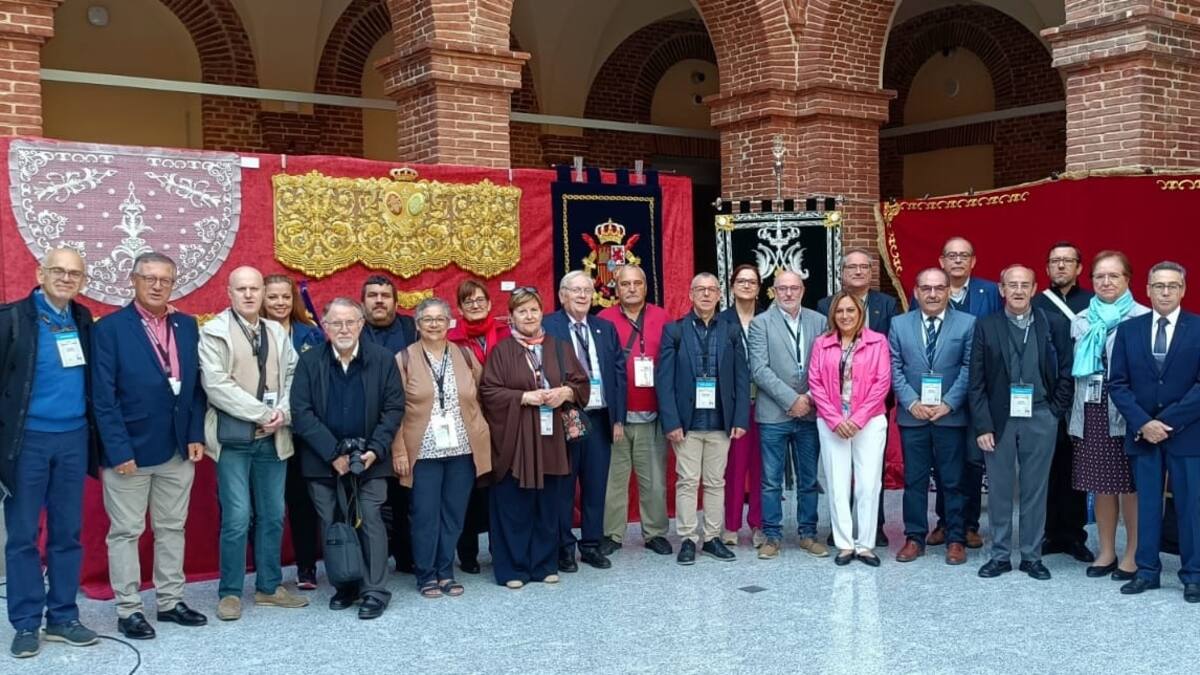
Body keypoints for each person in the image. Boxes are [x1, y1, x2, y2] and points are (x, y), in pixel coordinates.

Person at [92, 252, 208, 640]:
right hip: (130, 452)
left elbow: (195, 387)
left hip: (177, 448)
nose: (157, 286)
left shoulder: (187, 326)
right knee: (126, 531)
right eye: (149, 278)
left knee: (172, 527)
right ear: (133, 280)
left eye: (165, 280)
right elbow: (103, 398)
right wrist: (118, 450)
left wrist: (195, 433)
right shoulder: (110, 329)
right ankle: (128, 610)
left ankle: (170, 601)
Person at [0, 248, 99, 659]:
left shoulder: (82, 319)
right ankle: (26, 623)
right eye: (58, 270)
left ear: (83, 281)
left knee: (67, 532)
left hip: (73, 440)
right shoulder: (10, 318)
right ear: (40, 273)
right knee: (23, 535)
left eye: (74, 273)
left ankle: (62, 617)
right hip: (27, 442)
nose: (66, 278)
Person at [200, 266, 308, 621]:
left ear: (262, 292)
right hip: (234, 439)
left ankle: (268, 587)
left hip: (274, 437)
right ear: (229, 292)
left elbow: (293, 375)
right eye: (241, 289)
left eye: (254, 289)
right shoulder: (213, 332)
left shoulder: (275, 331)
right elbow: (217, 386)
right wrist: (262, 413)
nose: (249, 295)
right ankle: (230, 592)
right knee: (237, 517)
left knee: (273, 514)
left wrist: (283, 413)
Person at [291, 298, 404, 619]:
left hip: (371, 459)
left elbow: (393, 408)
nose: (344, 329)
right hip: (322, 462)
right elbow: (301, 412)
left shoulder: (382, 359)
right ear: (324, 327)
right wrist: (333, 454)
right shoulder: (309, 361)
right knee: (332, 522)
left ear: (361, 324)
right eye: (336, 323)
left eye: (350, 322)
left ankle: (374, 590)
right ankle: (345, 585)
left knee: (370, 518)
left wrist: (375, 450)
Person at [479, 287, 589, 588]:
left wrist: (565, 392)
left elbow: (581, 384)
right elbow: (488, 392)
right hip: (516, 440)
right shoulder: (502, 351)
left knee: (548, 504)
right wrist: (523, 397)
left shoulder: (559, 347)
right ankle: (512, 569)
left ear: (542, 313)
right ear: (511, 317)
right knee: (515, 504)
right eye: (522, 311)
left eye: (534, 310)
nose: (529, 316)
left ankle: (543, 564)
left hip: (551, 439)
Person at [969, 265, 1074, 581]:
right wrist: (983, 426)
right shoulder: (986, 326)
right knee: (999, 489)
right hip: (999, 420)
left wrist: (1054, 412)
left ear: (1034, 288)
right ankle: (1000, 555)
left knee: (1035, 489)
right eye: (1011, 285)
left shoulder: (1053, 323)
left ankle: (1031, 556)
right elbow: (976, 382)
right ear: (1001, 289)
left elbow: (1066, 372)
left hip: (1040, 415)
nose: (1018, 290)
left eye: (1024, 285)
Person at [1109, 261, 1200, 602]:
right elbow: (1117, 383)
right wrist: (1144, 423)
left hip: (1188, 435)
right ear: (1147, 290)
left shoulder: (1198, 327)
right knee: (1146, 505)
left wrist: (1167, 423)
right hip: (1143, 434)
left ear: (1183, 290)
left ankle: (1193, 575)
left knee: (1191, 507)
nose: (1165, 292)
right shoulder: (1128, 330)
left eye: (1172, 285)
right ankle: (1147, 571)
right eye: (1159, 285)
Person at [393, 298, 492, 599]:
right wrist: (399, 450)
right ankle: (426, 574)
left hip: (462, 449)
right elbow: (393, 409)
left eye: (440, 319)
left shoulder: (464, 355)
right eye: (427, 319)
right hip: (423, 452)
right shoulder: (403, 359)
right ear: (418, 324)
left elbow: (483, 394)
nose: (434, 324)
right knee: (425, 515)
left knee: (454, 515)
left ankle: (446, 571)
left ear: (450, 323)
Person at [658, 273, 750, 565]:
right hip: (687, 423)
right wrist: (671, 421)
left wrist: (740, 418)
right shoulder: (674, 331)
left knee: (715, 482)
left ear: (720, 295)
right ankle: (688, 538)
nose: (706, 294)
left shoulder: (731, 331)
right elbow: (664, 381)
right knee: (687, 481)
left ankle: (711, 538)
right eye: (700, 289)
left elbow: (741, 377)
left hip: (721, 421)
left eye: (712, 290)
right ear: (691, 294)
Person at [1069, 251, 1149, 579]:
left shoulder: (1143, 317)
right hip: (1091, 410)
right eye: (1099, 276)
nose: (1106, 282)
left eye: (1114, 275)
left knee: (1130, 486)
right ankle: (1106, 551)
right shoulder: (1081, 319)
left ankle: (1132, 553)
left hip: (1128, 412)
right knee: (1101, 484)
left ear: (1127, 279)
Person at [889, 268, 975, 566]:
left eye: (939, 288)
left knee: (952, 481)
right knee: (914, 481)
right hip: (913, 416)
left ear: (949, 291)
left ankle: (955, 538)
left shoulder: (967, 324)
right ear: (916, 292)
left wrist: (949, 403)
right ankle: (914, 537)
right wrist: (911, 402)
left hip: (950, 416)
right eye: (926, 288)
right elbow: (894, 366)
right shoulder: (899, 324)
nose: (933, 294)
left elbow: (969, 367)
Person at [544, 271, 627, 571]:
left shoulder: (604, 327)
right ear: (562, 295)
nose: (582, 296)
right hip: (565, 418)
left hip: (600, 419)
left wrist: (618, 418)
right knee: (563, 488)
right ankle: (564, 548)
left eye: (587, 290)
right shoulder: (548, 326)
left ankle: (591, 545)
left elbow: (618, 374)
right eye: (575, 290)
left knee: (595, 486)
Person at [818, 247, 900, 546]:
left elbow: (888, 363)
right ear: (842, 272)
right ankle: (840, 531)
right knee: (838, 477)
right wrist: (834, 415)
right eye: (851, 267)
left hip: (872, 409)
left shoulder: (887, 304)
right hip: (834, 413)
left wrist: (863, 412)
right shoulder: (825, 305)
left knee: (870, 477)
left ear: (870, 271)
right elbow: (817, 374)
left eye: (863, 266)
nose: (857, 271)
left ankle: (873, 529)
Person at [925, 236, 1001, 549]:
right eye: (952, 255)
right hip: (940, 394)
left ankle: (969, 524)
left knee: (972, 461)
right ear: (941, 261)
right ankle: (945, 522)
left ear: (973, 261)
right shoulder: (929, 291)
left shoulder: (990, 292)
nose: (957, 260)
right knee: (943, 461)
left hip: (978, 391)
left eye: (964, 255)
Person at [746, 270, 828, 559]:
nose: (789, 293)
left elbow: (826, 366)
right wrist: (792, 399)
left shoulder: (819, 321)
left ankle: (808, 534)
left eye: (794, 288)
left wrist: (809, 398)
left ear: (802, 290)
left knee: (809, 479)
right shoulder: (760, 324)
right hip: (774, 414)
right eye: (782, 288)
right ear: (774, 291)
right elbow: (759, 369)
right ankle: (772, 536)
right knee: (771, 480)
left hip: (809, 412)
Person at [808, 292, 891, 566]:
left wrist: (857, 419)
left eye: (851, 310)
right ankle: (844, 544)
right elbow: (815, 382)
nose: (845, 316)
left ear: (860, 313)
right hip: (832, 422)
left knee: (868, 484)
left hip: (869, 420)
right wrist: (835, 419)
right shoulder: (822, 343)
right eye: (840, 311)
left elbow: (882, 382)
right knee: (837, 483)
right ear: (833, 315)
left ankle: (865, 545)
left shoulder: (878, 342)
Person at [597, 265, 672, 555]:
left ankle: (655, 533)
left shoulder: (662, 318)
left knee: (654, 480)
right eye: (625, 284)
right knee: (614, 481)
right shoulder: (603, 320)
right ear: (616, 289)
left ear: (645, 287)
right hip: (615, 417)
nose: (631, 288)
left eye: (636, 283)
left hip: (653, 414)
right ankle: (611, 534)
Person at [1031, 242, 1095, 563]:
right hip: (1047, 398)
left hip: (1083, 395)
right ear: (1046, 268)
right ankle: (1049, 532)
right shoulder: (1035, 303)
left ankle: (1074, 535)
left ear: (1079, 268)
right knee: (1047, 468)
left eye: (1067, 261)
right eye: (1055, 261)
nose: (1060, 266)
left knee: (1076, 468)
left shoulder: (1093, 303)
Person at [262, 273, 323, 589]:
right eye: (273, 297)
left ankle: (307, 567)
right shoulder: (252, 333)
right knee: (266, 506)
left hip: (303, 432)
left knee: (302, 502)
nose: (280, 302)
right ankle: (266, 571)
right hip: (265, 429)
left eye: (286, 296)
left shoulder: (311, 334)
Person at [446, 279, 509, 574]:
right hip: (467, 422)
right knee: (467, 490)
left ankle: (500, 550)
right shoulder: (450, 340)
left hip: (504, 422)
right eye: (468, 301)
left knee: (500, 490)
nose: (475, 305)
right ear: (459, 308)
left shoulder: (506, 334)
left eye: (480, 300)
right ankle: (468, 554)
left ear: (490, 303)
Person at [360, 274, 418, 574]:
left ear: (396, 302)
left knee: (407, 497)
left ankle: (408, 558)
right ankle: (374, 562)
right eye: (373, 295)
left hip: (409, 426)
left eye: (385, 295)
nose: (379, 301)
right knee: (373, 499)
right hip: (368, 429)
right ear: (362, 302)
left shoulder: (412, 328)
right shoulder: (352, 330)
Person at [716, 264, 765, 549]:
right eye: (741, 281)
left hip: (765, 403)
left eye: (752, 282)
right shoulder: (721, 321)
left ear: (759, 288)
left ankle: (759, 524)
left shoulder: (769, 318)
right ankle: (731, 525)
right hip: (733, 405)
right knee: (734, 467)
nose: (746, 285)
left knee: (762, 468)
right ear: (732, 286)